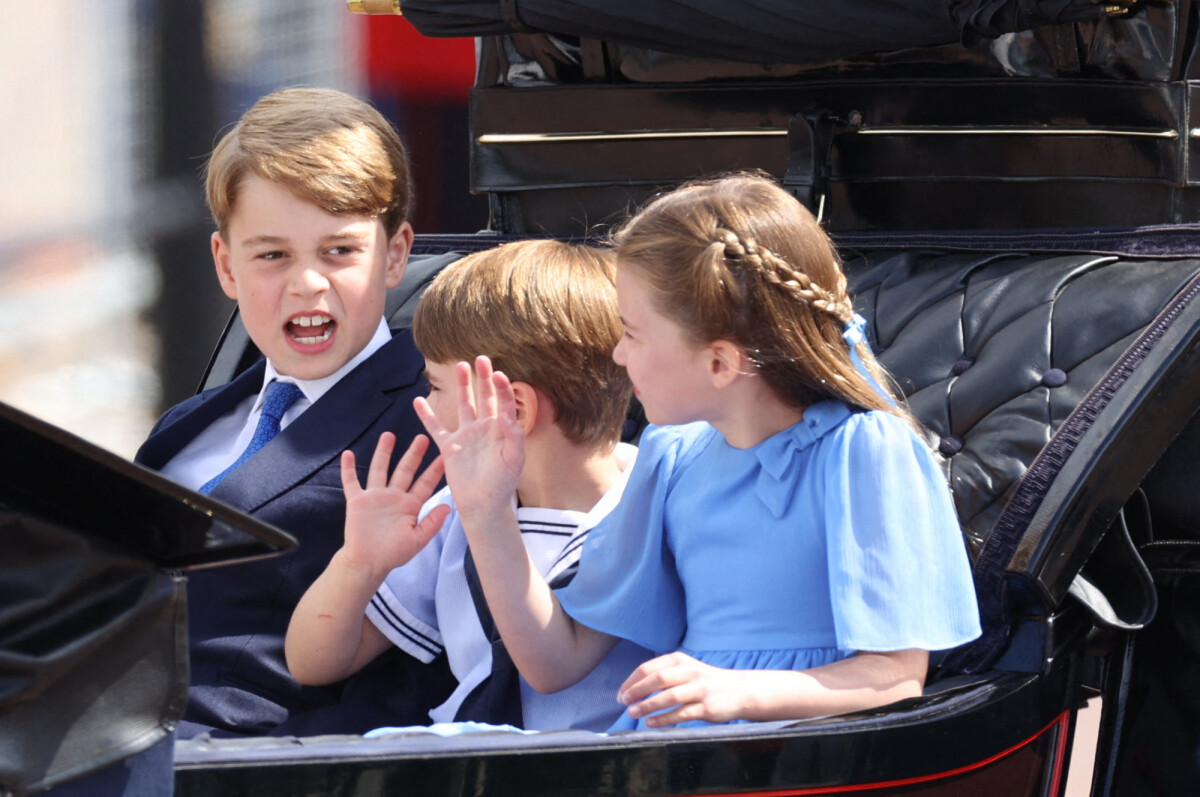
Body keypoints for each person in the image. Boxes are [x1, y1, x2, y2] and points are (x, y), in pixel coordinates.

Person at [414, 173, 982, 730]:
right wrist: (487, 513)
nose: (616, 355)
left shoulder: (866, 451)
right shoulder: (671, 457)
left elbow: (895, 680)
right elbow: (553, 663)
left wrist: (735, 691)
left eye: (633, 333)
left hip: (793, 754)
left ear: (720, 363)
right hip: (674, 749)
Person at [135, 87, 455, 737]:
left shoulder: (436, 419)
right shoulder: (189, 426)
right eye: (273, 255)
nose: (307, 283)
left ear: (395, 254)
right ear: (227, 264)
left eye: (339, 252)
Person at [285, 240, 652, 731]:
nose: (427, 406)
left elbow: (547, 670)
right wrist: (358, 564)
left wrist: (487, 515)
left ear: (514, 409)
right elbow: (314, 663)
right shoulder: (455, 509)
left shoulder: (641, 509)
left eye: (435, 387)